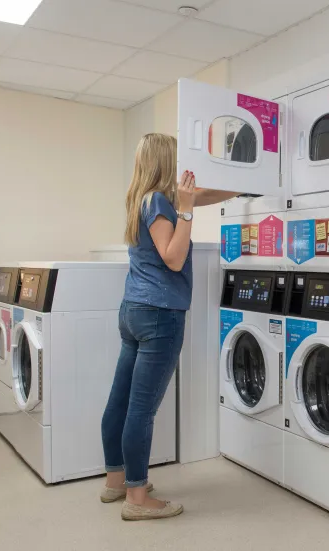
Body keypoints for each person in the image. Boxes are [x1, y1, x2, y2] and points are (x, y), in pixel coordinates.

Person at [100, 133, 238, 521]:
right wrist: (189, 211)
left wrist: (238, 188)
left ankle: (117, 481)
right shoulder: (160, 203)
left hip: (134, 311)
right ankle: (138, 499)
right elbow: (174, 258)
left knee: (122, 401)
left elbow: (196, 196)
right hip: (159, 314)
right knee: (141, 410)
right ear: (167, 161)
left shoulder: (141, 198)